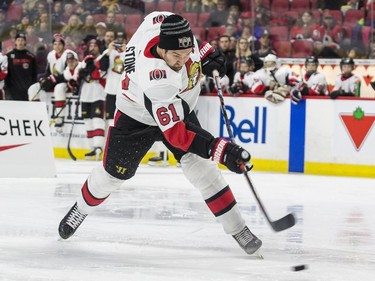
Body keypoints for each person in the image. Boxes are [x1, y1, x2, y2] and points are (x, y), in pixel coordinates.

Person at [58, 12, 262, 256]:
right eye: (177, 55)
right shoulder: (157, 78)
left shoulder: (164, 24)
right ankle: (80, 208)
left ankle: (239, 228)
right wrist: (222, 149)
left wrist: (207, 53)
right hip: (136, 116)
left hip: (179, 107)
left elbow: (190, 42)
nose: (183, 59)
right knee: (111, 177)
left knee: (203, 170)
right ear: (162, 50)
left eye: (187, 53)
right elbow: (177, 134)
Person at [79, 39, 106, 160]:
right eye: (91, 45)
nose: (92, 47)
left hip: (98, 94)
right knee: (87, 121)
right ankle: (91, 148)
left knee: (97, 120)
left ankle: (98, 147)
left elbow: (98, 75)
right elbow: (79, 74)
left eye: (95, 45)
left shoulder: (103, 58)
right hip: (85, 94)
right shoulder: (86, 59)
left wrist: (91, 67)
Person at [27, 34, 70, 102]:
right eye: (55, 44)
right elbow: (48, 72)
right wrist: (44, 79)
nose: (57, 47)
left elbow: (68, 74)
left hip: (65, 82)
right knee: (33, 88)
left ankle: (60, 112)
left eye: (59, 44)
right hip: (54, 80)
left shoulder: (68, 55)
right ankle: (36, 110)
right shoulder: (51, 55)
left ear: (64, 45)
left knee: (59, 88)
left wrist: (53, 79)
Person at [98, 31, 127, 128]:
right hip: (111, 90)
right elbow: (102, 67)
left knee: (124, 118)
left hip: (125, 91)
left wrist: (126, 52)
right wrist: (109, 52)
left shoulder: (130, 52)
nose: (119, 42)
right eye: (117, 40)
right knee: (110, 118)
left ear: (125, 41)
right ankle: (111, 140)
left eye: (121, 40)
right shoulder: (107, 52)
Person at [5, 32, 37, 101]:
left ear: (25, 42)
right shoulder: (8, 56)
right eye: (18, 40)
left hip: (27, 90)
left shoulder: (31, 56)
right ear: (15, 41)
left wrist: (32, 87)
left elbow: (34, 73)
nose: (20, 42)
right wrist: (7, 87)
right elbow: (6, 73)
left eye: (22, 40)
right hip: (12, 91)